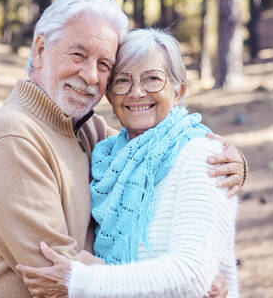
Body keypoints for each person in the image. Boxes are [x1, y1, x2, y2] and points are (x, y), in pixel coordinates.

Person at [0, 0, 246, 298]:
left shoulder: (89, 132)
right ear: (40, 50)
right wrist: (183, 286)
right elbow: (57, 274)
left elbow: (155, 148)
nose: (91, 75)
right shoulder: (12, 136)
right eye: (78, 55)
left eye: (105, 64)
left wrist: (232, 161)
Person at [16, 28, 240, 298]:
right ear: (110, 95)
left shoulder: (203, 156)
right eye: (122, 81)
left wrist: (81, 283)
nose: (136, 92)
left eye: (153, 79)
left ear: (178, 90)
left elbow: (192, 275)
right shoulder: (109, 157)